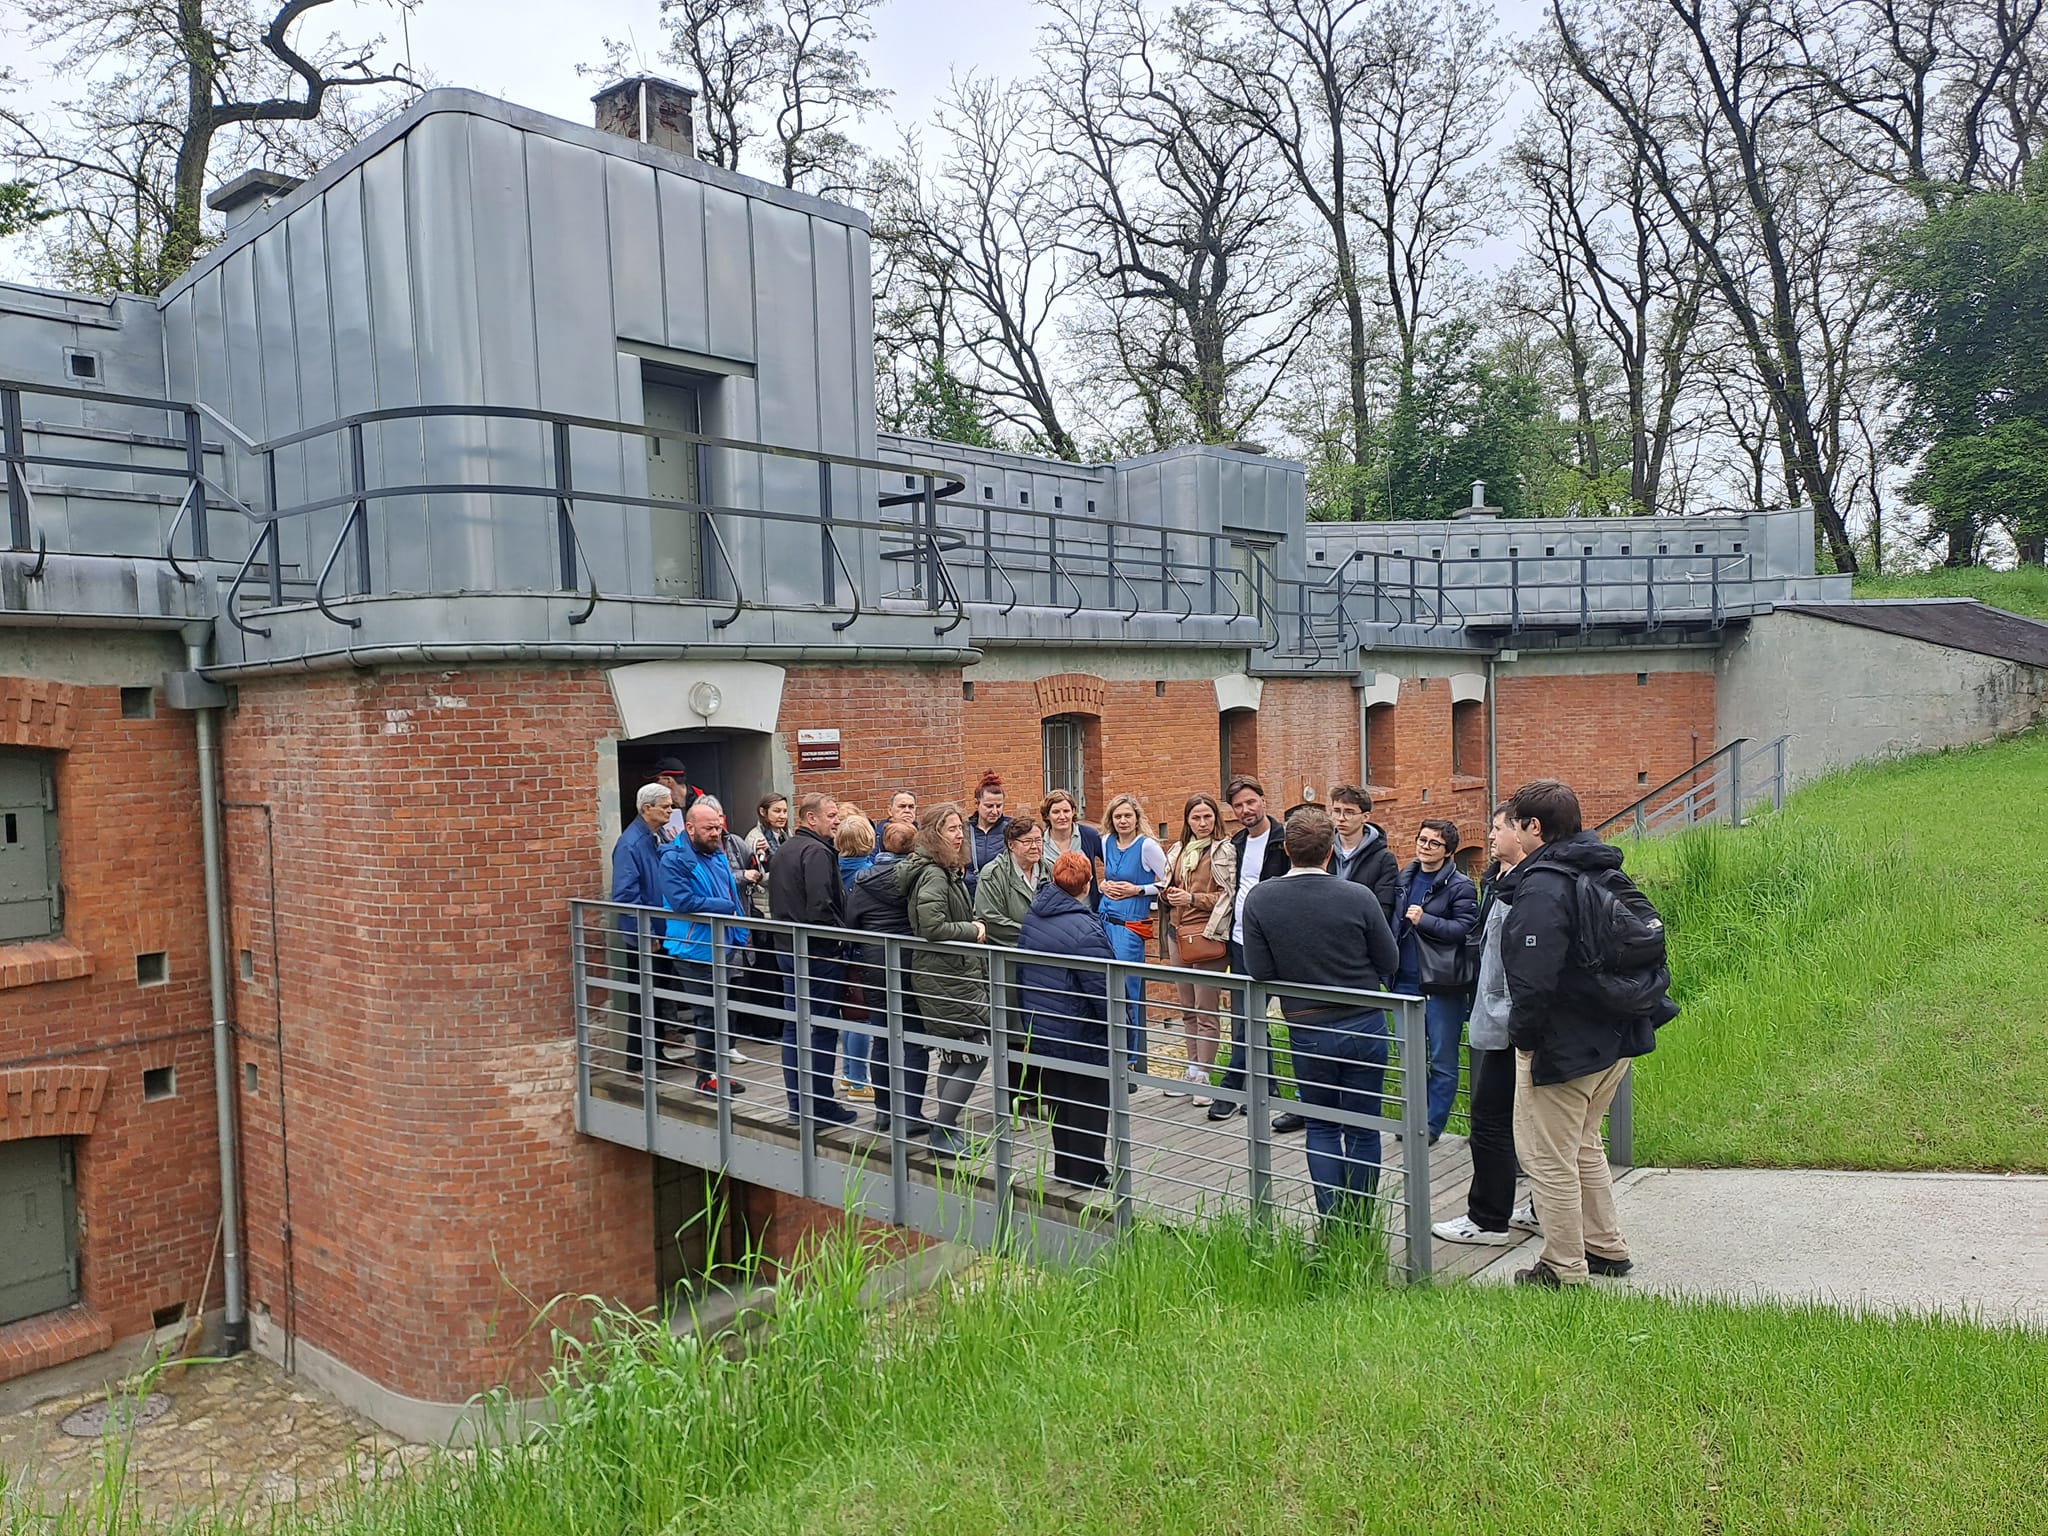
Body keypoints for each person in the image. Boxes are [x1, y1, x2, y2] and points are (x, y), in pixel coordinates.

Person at [1503, 778, 1673, 1287]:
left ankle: (1563, 1266)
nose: (1510, 831)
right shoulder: (1601, 869)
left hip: (1566, 1044)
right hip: (1615, 1034)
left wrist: (1525, 1040)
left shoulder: (1544, 886)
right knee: (1583, 1144)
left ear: (1533, 828)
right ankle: (1605, 1247)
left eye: (1514, 824)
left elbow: (1533, 979)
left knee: (1548, 1157)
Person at [1241, 807, 1400, 1223]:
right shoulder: (1358, 896)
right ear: (1330, 851)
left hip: (1308, 1024)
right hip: (1364, 1022)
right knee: (1363, 1127)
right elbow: (1389, 960)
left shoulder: (1261, 898)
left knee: (1322, 1125)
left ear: (1287, 850)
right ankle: (1359, 1223)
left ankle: (1332, 1222)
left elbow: (1259, 970)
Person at [1433, 804, 1540, 1246]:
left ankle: (1488, 1220)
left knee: (1493, 1121)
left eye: (1498, 828)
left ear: (1525, 831)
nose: (1491, 836)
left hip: (1515, 1025)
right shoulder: (1498, 880)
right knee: (1515, 1122)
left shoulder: (1532, 888)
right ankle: (1539, 1210)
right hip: (1500, 1020)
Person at [1209, 775, 1305, 1134]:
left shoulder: (1284, 841)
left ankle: (1233, 1086)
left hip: (1278, 944)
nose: (1245, 810)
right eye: (1238, 806)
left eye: (1251, 802)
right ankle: (1266, 1086)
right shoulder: (1235, 843)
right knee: (1244, 1018)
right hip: (1240, 941)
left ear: (1263, 800)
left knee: (1269, 1017)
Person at [1018, 851, 1118, 1189]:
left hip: (1043, 1025)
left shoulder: (1034, 915)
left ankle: (1065, 1167)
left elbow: (1021, 973)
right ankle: (1089, 1173)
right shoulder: (1085, 929)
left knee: (1059, 1099)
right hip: (1080, 1030)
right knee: (1089, 1101)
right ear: (1088, 884)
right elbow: (1104, 989)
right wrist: (1120, 1030)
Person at [897, 804, 990, 1157]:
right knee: (976, 1053)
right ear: (935, 833)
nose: (959, 835)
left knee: (954, 1055)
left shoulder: (941, 870)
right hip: (946, 975)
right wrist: (973, 929)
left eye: (960, 828)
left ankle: (946, 1133)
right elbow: (931, 926)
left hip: (950, 973)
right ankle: (942, 1130)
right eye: (952, 829)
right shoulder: (934, 874)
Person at [1391, 819, 1480, 1143]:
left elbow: (1465, 931)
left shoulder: (1461, 886)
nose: (1425, 847)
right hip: (1403, 981)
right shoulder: (1405, 877)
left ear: (1448, 851)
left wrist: (1425, 920)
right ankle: (1412, 1120)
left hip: (1442, 985)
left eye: (1434, 843)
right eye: (1422, 840)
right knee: (1409, 1059)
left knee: (1442, 1059)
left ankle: (1431, 1124)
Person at [767, 792, 853, 1124]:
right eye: (831, 815)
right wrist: (839, 941)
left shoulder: (785, 849)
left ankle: (799, 1105)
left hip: (788, 948)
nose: (837, 820)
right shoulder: (816, 851)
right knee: (822, 1028)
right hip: (817, 953)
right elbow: (821, 906)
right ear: (810, 818)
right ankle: (820, 1106)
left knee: (796, 1026)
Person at [656, 796, 749, 1095]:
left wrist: (739, 931)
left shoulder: (716, 853)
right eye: (709, 828)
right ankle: (706, 1078)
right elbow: (683, 902)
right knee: (708, 1014)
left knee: (720, 1012)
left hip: (722, 943)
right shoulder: (673, 859)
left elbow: (731, 893)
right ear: (690, 828)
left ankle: (718, 1073)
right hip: (692, 948)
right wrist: (725, 908)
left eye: (718, 827)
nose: (715, 833)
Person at [846, 820, 928, 1136]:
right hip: (912, 966)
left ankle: (884, 1111)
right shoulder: (919, 877)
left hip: (875, 966)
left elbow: (852, 922)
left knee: (882, 1039)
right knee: (914, 1042)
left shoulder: (863, 879)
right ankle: (911, 1114)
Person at [1161, 792, 1236, 1103]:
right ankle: (1192, 1070)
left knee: (1206, 1009)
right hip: (1177, 934)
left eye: (1207, 817)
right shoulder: (1178, 850)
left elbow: (1227, 895)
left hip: (1207, 935)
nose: (1202, 823)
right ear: (1187, 821)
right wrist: (1166, 894)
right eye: (1196, 817)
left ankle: (1204, 1075)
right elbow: (1167, 887)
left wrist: (1192, 899)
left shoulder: (1223, 850)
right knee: (1187, 1007)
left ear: (1216, 819)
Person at [973, 815, 1048, 1116]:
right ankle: (1013, 1100)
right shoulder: (993, 874)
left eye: (1038, 840)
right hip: (1009, 964)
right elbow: (990, 919)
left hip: (1043, 965)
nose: (1035, 847)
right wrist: (1036, 935)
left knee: (1041, 1030)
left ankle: (1037, 1097)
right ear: (1011, 845)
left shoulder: (1048, 870)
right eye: (1028, 842)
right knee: (1013, 1033)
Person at [1097, 792, 1167, 1076]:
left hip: (1130, 927)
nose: (1123, 821)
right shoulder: (1106, 842)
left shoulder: (1147, 846)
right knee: (1103, 987)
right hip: (1104, 922)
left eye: (1127, 815)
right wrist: (1102, 885)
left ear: (1137, 818)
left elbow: (1169, 881)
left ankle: (1130, 1058)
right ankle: (1106, 1052)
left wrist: (1138, 890)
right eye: (1118, 816)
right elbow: (1105, 877)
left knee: (1127, 991)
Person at [608, 782, 674, 1073]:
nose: (671, 810)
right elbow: (625, 895)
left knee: (657, 995)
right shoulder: (631, 843)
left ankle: (655, 1053)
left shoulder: (656, 836)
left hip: (661, 929)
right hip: (646, 934)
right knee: (644, 996)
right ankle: (638, 1060)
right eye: (665, 806)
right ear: (647, 808)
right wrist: (645, 934)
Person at [834, 810, 879, 1101]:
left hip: (843, 948)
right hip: (863, 950)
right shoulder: (868, 873)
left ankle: (849, 1073)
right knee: (863, 1017)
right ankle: (860, 1082)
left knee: (849, 1013)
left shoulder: (833, 867)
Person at [1327, 785, 1401, 922]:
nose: (1341, 818)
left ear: (1365, 817)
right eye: (1336, 811)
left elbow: (1384, 909)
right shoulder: (1324, 850)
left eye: (1349, 812)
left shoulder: (1384, 859)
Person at [1039, 789, 1104, 908]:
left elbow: (1112, 862)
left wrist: (1106, 885)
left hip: (1087, 910)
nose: (1062, 816)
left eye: (1066, 811)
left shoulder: (1089, 836)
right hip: (1054, 911)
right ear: (1047, 815)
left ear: (1073, 812)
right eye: (1056, 812)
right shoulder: (1040, 842)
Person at [965, 770, 1010, 886]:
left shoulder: (1011, 829)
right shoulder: (963, 830)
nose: (995, 811)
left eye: (999, 806)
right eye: (989, 806)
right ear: (976, 804)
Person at [746, 792, 790, 892]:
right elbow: (760, 877)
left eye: (785, 811)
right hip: (765, 897)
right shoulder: (755, 838)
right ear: (763, 812)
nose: (783, 816)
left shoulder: (786, 834)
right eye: (777, 811)